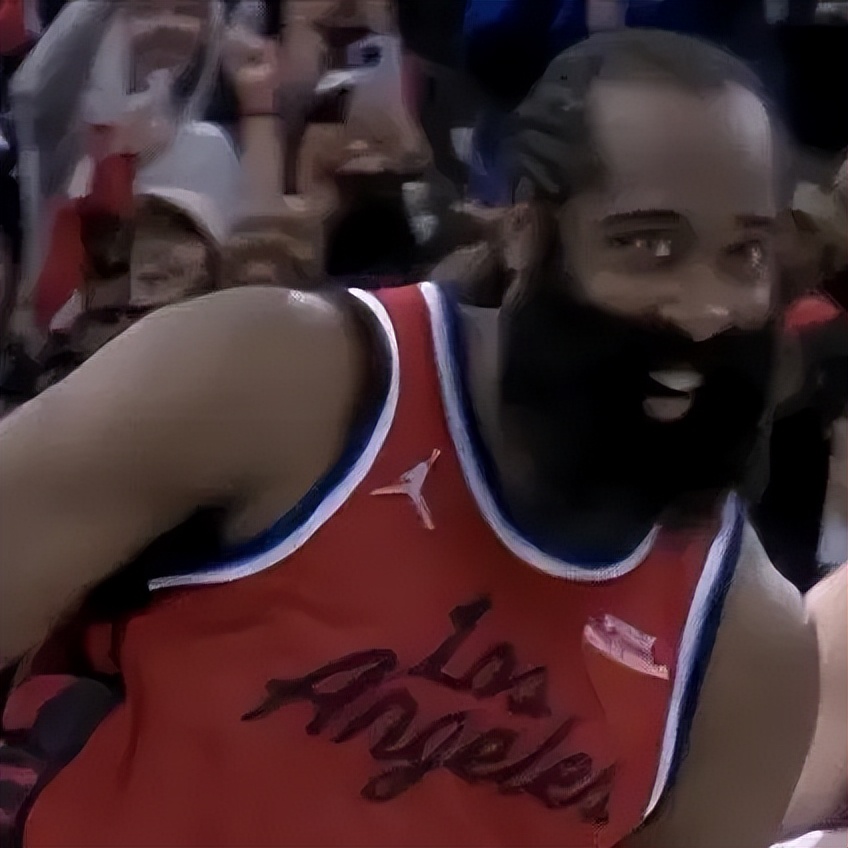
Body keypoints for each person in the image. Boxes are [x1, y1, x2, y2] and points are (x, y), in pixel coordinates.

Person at [0, 29, 842, 848]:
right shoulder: (279, 377)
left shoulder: (746, 643)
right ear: (526, 230)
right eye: (647, 245)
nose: (704, 308)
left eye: (745, 255)